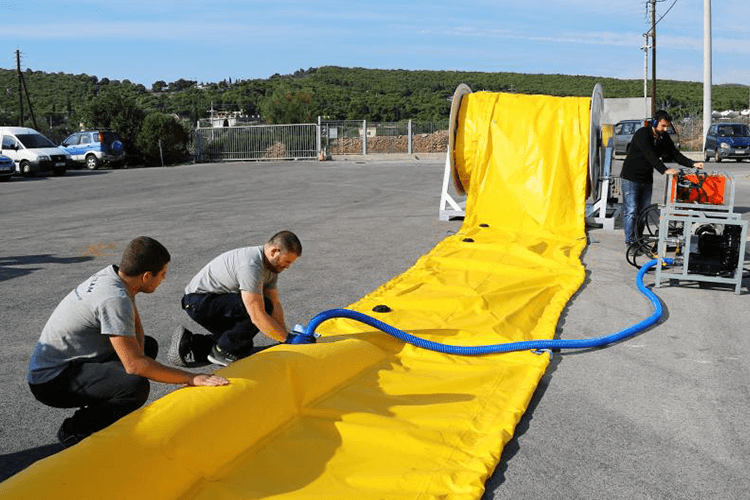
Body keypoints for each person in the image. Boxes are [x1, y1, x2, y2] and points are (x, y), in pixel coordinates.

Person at [27, 236, 230, 448]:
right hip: (51, 381)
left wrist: (141, 360)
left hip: (70, 362)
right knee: (134, 387)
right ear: (146, 276)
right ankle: (76, 429)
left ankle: (104, 409)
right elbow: (134, 366)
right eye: (162, 274)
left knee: (147, 347)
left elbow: (138, 344)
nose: (163, 279)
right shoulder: (114, 298)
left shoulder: (114, 276)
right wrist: (191, 378)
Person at [170, 230, 301, 367]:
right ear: (274, 251)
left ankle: (190, 343)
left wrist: (285, 337)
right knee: (261, 309)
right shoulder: (252, 264)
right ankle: (222, 352)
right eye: (287, 261)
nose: (287, 266)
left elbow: (275, 303)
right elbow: (256, 314)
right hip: (198, 302)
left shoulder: (271, 268)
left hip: (210, 302)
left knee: (241, 344)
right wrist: (287, 339)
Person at [620, 110, 704, 245]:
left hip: (646, 179)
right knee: (631, 210)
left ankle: (638, 239)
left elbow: (675, 154)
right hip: (631, 178)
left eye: (667, 126)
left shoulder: (663, 137)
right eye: (663, 126)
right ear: (654, 122)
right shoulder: (642, 134)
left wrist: (692, 163)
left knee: (643, 211)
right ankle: (630, 241)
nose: (665, 129)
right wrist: (664, 170)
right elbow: (650, 155)